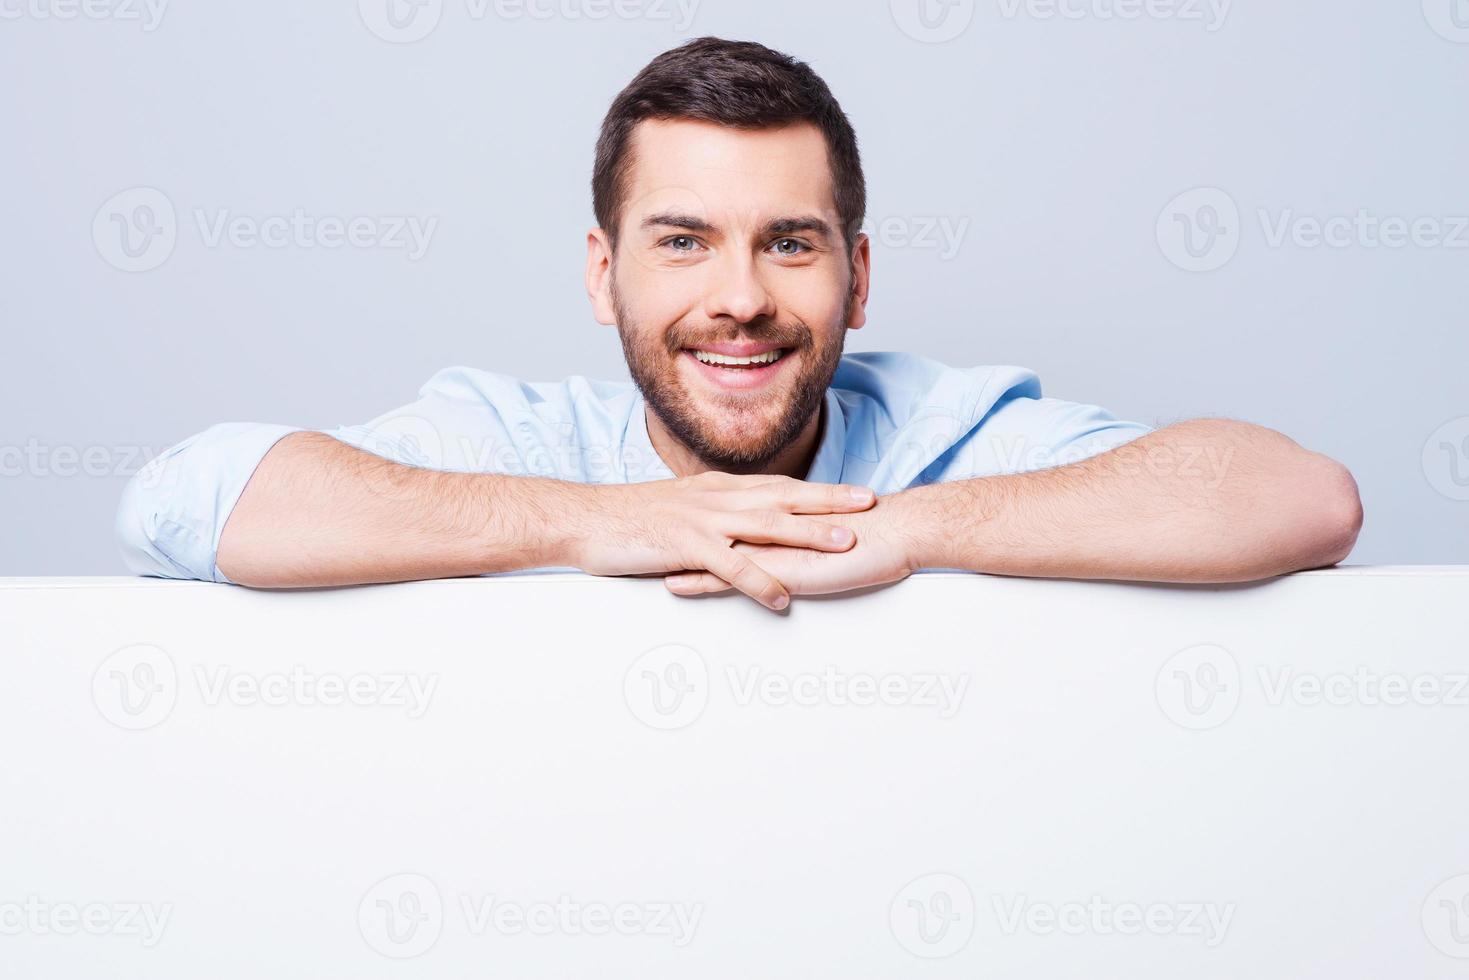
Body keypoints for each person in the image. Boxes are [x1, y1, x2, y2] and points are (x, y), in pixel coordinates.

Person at [115, 37, 1363, 611]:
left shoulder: (943, 432)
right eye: (681, 241)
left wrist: (901, 531)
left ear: (855, 280)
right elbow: (184, 499)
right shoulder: (514, 436)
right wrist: (605, 522)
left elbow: (1298, 498)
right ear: (601, 276)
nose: (741, 298)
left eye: (788, 241)